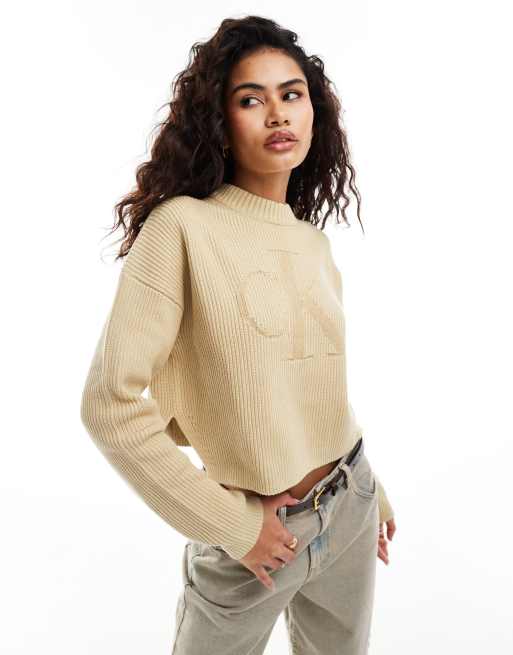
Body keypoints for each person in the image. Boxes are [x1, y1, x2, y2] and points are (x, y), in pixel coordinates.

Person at [80, 14, 397, 655]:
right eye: (251, 99)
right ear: (219, 122)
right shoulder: (182, 228)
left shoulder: (311, 243)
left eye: (292, 94)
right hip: (255, 535)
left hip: (351, 502)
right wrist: (231, 525)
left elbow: (313, 386)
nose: (278, 114)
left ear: (314, 111)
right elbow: (108, 406)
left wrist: (370, 489)